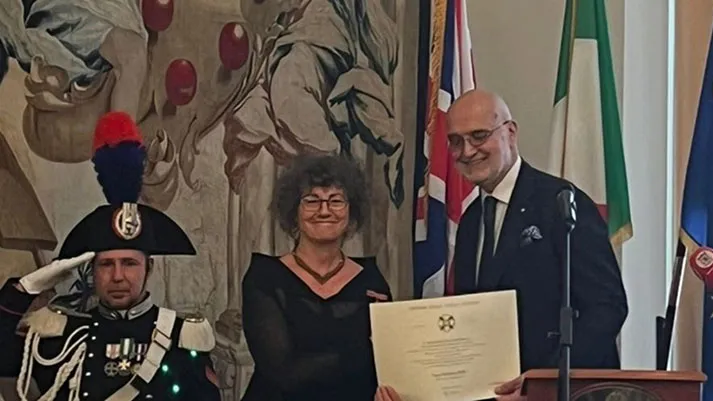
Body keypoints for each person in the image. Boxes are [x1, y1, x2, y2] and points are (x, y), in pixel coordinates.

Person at [379, 89, 627, 401]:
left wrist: (542, 384)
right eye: (456, 140)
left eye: (479, 136)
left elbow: (608, 308)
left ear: (510, 133)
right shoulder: (471, 220)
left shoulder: (561, 203)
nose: (467, 150)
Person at [0, 111, 220, 400]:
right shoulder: (64, 337)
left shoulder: (181, 338)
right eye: (106, 264)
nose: (118, 276)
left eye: (129, 263)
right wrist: (25, 289)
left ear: (148, 268)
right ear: (92, 269)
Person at [241, 154, 393, 401]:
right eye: (311, 201)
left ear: (351, 210)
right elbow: (283, 373)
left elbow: (386, 363)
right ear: (294, 211)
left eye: (336, 201)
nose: (324, 210)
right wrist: (366, 350)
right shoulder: (264, 278)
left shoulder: (372, 281)